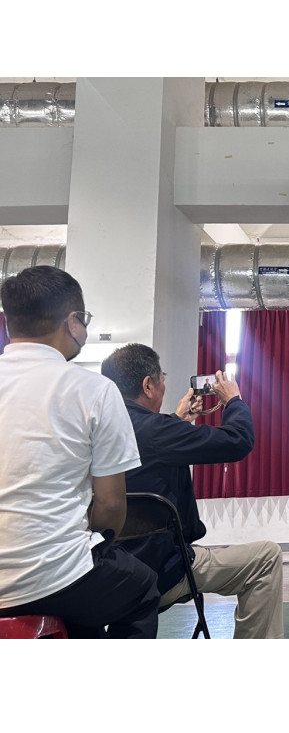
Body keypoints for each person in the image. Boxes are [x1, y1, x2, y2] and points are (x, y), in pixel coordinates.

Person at [0, 266, 160, 638]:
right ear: (73, 322)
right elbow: (110, 507)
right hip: (50, 577)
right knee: (141, 587)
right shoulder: (94, 391)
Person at [101, 343, 284, 639]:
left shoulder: (96, 428)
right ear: (148, 385)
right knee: (267, 557)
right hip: (161, 572)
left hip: (106, 575)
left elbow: (146, 448)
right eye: (162, 378)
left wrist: (176, 421)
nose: (163, 385)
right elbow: (238, 440)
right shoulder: (158, 431)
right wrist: (233, 401)